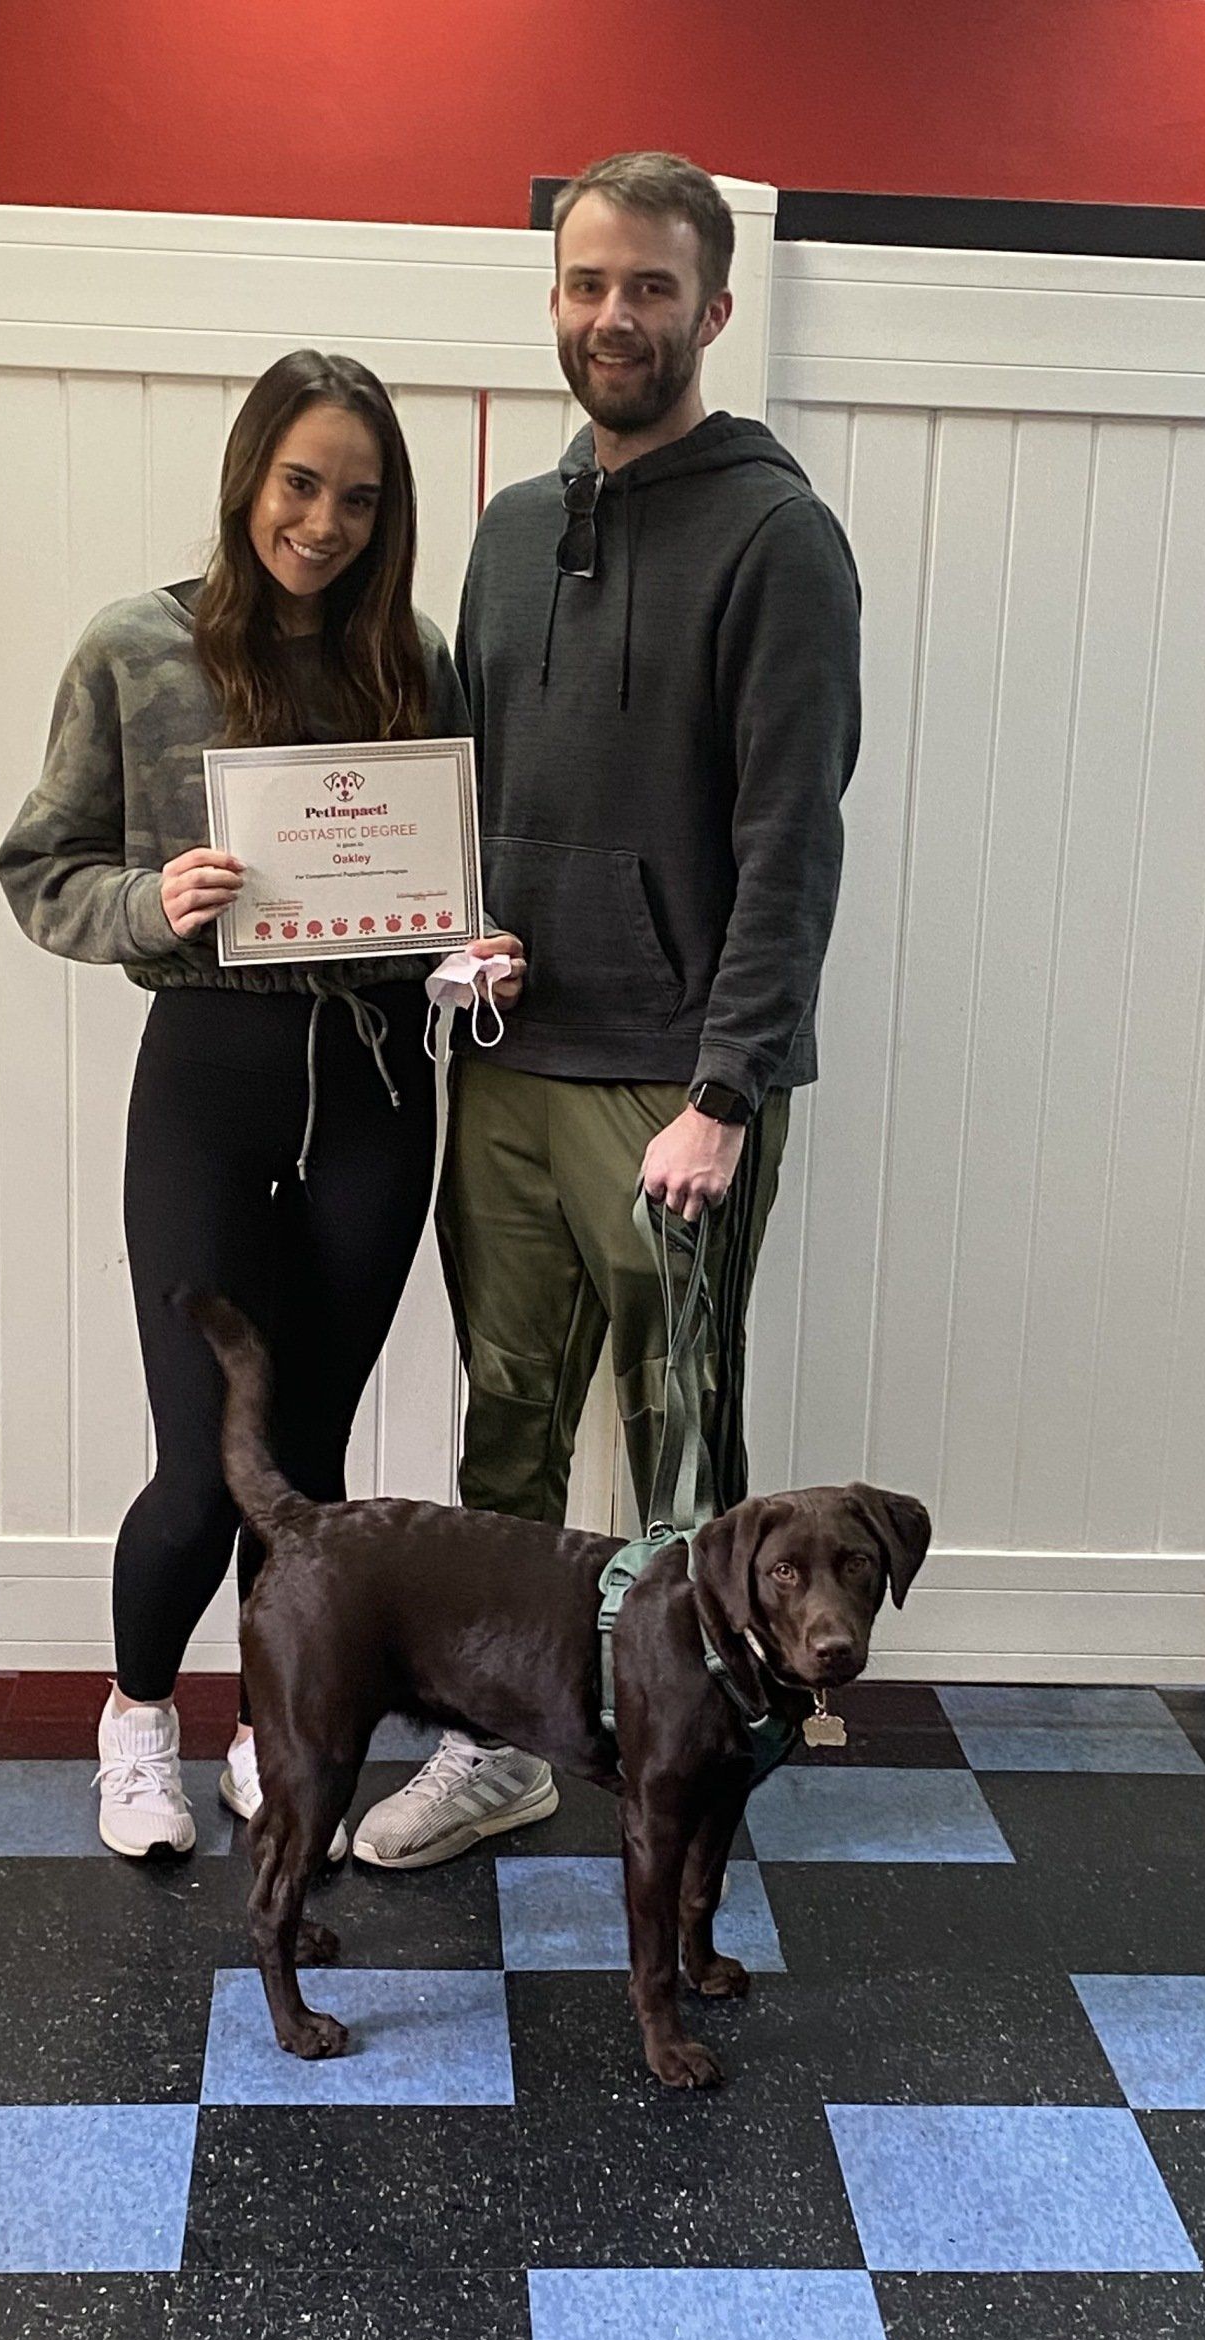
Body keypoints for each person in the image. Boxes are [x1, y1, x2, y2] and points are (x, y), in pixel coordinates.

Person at [351, 152, 862, 1873]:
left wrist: (727, 1090)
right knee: (504, 1422)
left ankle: (696, 1775)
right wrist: (461, 929)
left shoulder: (781, 536)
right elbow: (469, 791)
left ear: (713, 308)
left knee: (676, 1454)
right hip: (506, 1069)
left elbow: (791, 835)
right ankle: (496, 1748)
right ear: (553, 301)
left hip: (673, 1093)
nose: (613, 315)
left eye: (650, 286)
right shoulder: (507, 530)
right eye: (586, 284)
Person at [0, 349, 523, 1858]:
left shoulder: (413, 657)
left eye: (360, 497)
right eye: (302, 483)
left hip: (372, 1090)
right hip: (208, 1087)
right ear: (248, 477)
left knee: (306, 1472)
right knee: (202, 1463)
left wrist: (465, 948)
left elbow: (444, 881)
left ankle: (268, 1730)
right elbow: (42, 871)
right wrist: (149, 903)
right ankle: (141, 1720)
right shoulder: (133, 647)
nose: (326, 521)